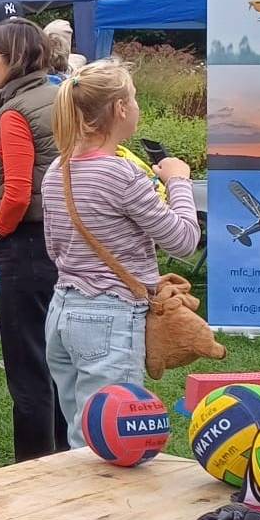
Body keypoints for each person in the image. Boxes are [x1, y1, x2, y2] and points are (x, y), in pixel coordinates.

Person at [40, 60, 199, 444]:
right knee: (111, 439)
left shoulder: (56, 170)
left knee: (81, 431)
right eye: (134, 97)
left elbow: (56, 248)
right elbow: (184, 240)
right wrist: (178, 181)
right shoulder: (122, 174)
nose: (137, 106)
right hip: (109, 318)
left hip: (63, 311)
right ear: (120, 109)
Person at [0, 18, 67, 462]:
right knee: (58, 359)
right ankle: (64, 453)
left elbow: (16, 191)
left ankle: (32, 464)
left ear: (15, 59)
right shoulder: (62, 96)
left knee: (28, 363)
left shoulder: (15, 111)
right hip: (64, 242)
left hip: (27, 244)